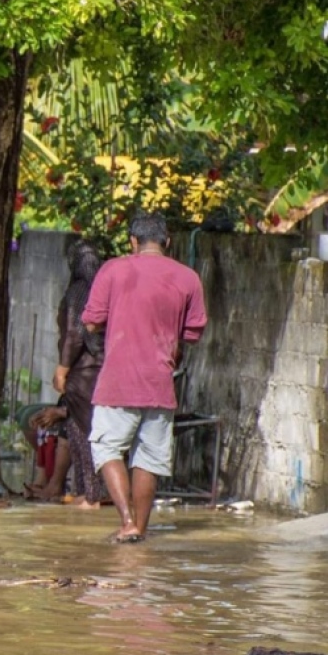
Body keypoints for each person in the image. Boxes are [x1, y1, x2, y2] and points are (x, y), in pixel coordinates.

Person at [81, 212, 207, 543]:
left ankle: (126, 521)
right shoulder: (188, 278)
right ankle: (141, 528)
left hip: (117, 382)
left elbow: (92, 322)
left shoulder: (113, 269)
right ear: (167, 241)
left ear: (133, 242)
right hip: (160, 384)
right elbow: (192, 334)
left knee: (107, 448)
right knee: (148, 458)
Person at [54, 240, 107, 508]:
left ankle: (94, 495)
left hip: (85, 372)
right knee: (76, 432)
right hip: (89, 372)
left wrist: (62, 369)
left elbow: (75, 335)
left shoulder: (79, 291)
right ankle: (84, 491)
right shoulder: (102, 291)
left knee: (86, 434)